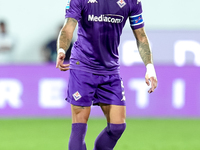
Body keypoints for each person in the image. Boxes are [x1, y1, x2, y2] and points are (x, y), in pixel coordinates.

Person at [56, 0, 157, 149]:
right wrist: (62, 50)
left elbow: (141, 36)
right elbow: (68, 27)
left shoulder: (132, 2)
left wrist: (150, 67)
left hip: (110, 70)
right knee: (79, 125)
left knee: (118, 127)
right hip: (83, 67)